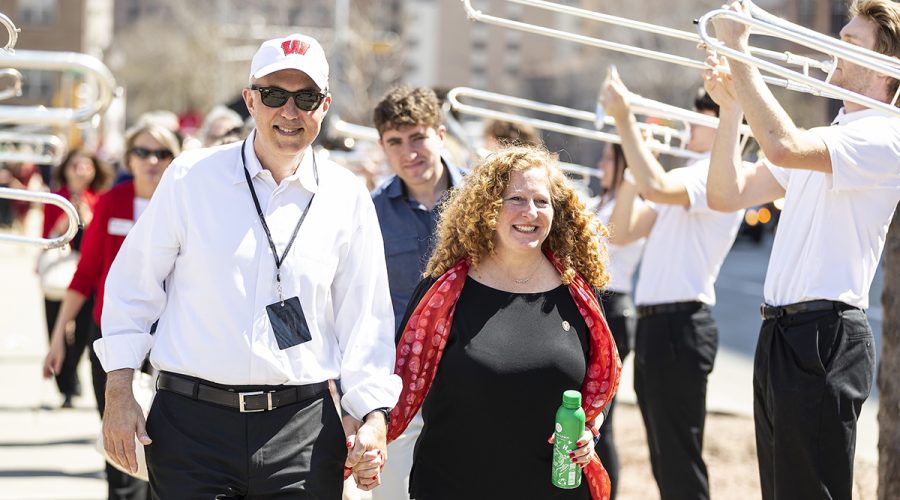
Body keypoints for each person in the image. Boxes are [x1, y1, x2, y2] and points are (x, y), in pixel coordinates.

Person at [94, 33, 401, 499]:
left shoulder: (347, 196)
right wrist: (118, 392)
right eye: (274, 95)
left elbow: (366, 321)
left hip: (301, 430)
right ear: (250, 100)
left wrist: (373, 415)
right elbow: (132, 288)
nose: (289, 111)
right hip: (190, 425)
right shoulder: (190, 177)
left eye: (306, 97)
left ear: (325, 105)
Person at [702, 2, 899, 498]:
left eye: (849, 43)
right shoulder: (831, 135)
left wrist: (740, 49)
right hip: (783, 335)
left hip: (826, 336)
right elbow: (726, 195)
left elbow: (783, 145)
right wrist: (730, 109)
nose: (834, 49)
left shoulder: (887, 136)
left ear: (885, 66)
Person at [360, 146, 621, 499]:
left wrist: (590, 431)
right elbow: (394, 380)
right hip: (453, 486)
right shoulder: (444, 293)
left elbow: (596, 389)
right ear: (488, 207)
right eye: (516, 198)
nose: (530, 212)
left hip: (553, 489)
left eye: (541, 201)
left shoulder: (579, 294)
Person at [601, 76, 744, 500]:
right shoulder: (688, 176)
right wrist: (632, 171)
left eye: (697, 120)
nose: (687, 127)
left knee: (680, 456)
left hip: (682, 323)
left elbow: (658, 187)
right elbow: (621, 232)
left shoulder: (715, 177)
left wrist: (626, 122)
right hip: (655, 325)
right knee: (663, 455)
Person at [42, 121, 181, 500]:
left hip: (170, 342)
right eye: (142, 152)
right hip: (113, 336)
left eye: (161, 153)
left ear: (174, 159)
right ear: (129, 159)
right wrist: (58, 339)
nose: (152, 161)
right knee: (119, 446)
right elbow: (86, 273)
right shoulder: (113, 202)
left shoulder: (184, 202)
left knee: (165, 447)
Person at [368, 85, 466, 500]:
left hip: (473, 376)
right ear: (383, 147)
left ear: (440, 135)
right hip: (400, 383)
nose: (409, 152)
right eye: (395, 141)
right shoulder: (368, 213)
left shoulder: (486, 201)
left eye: (418, 137)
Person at [590, 142, 645, 500]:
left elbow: (612, 236)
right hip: (596, 301)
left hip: (615, 304)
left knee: (602, 420)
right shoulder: (600, 201)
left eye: (610, 158)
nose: (601, 163)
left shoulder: (632, 204)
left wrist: (630, 178)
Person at [40, 149, 112, 408]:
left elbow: (100, 242)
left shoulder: (100, 199)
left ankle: (72, 380)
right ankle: (65, 385)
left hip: (87, 279)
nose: (80, 170)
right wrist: (65, 220)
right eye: (75, 165)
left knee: (82, 332)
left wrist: (88, 218)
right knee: (54, 327)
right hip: (58, 272)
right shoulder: (56, 199)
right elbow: (46, 236)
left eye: (85, 165)